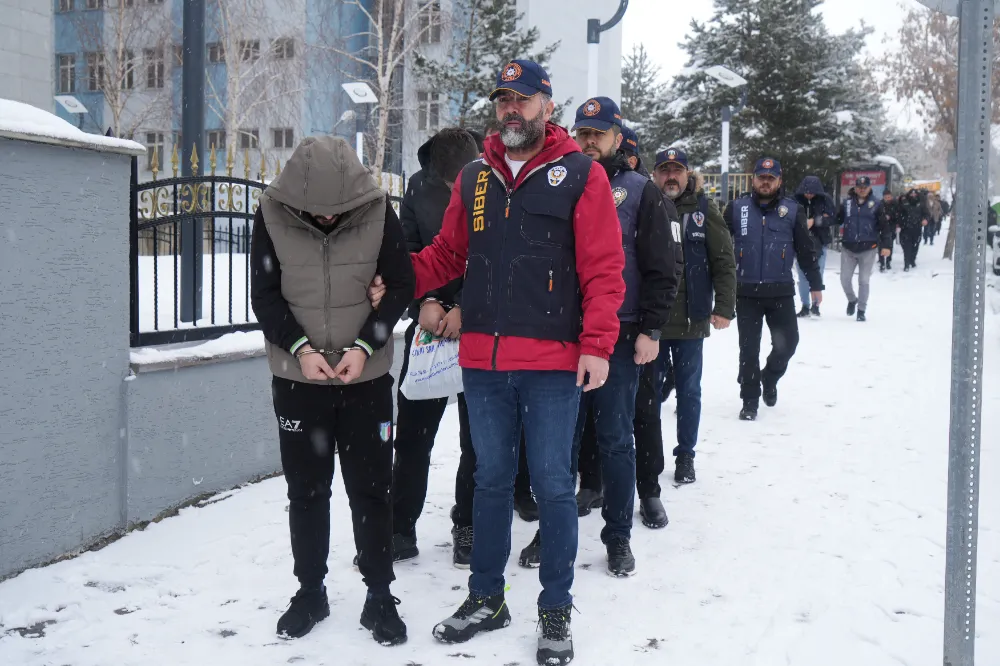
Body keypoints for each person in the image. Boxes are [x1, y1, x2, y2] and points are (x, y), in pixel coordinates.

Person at [408, 60, 626, 666]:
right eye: (503, 98)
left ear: (546, 107)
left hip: (553, 363)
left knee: (553, 486)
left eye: (522, 99)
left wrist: (597, 344)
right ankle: (487, 598)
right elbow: (447, 254)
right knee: (490, 482)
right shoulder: (475, 177)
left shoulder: (580, 175)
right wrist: (394, 276)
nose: (511, 108)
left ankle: (555, 608)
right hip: (483, 360)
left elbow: (604, 268)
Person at [250, 136, 415, 644]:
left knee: (372, 490)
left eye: (336, 211)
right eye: (315, 211)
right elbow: (264, 293)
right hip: (298, 382)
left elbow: (401, 285)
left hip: (365, 381)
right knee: (306, 491)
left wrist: (366, 345)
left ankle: (379, 595)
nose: (326, 219)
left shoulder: (378, 211)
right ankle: (310, 592)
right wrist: (300, 348)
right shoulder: (271, 213)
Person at [518, 97, 681, 574]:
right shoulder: (558, 180)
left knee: (615, 439)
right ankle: (552, 532)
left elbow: (662, 268)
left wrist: (651, 328)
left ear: (617, 137)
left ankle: (617, 537)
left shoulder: (641, 191)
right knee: (558, 443)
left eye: (599, 133)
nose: (589, 141)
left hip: (620, 335)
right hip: (561, 332)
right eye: (583, 132)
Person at [389, 128, 480, 568]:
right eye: (448, 182)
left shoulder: (491, 182)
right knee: (412, 438)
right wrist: (422, 302)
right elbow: (405, 251)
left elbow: (493, 257)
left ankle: (468, 525)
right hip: (426, 331)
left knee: (477, 442)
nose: (455, 189)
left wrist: (465, 307)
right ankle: (399, 527)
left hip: (478, 329)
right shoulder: (417, 188)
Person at [640, 147, 736, 497]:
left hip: (691, 319)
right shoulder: (644, 204)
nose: (671, 176)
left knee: (689, 391)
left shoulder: (704, 210)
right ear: (655, 174)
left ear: (687, 174)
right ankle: (649, 456)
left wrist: (724, 306)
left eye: (677, 170)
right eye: (664, 170)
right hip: (652, 320)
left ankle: (685, 454)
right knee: (648, 393)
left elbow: (723, 260)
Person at [724, 158, 823, 421]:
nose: (765, 182)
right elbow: (720, 246)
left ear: (779, 181)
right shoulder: (737, 208)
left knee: (787, 344)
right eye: (761, 177)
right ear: (753, 179)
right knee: (748, 351)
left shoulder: (792, 210)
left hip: (780, 292)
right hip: (746, 292)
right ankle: (749, 400)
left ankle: (769, 376)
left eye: (771, 178)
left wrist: (815, 283)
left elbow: (805, 250)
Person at [836, 176, 891, 322]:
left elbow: (884, 227)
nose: (862, 190)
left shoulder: (876, 204)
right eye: (859, 187)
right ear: (855, 188)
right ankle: (852, 299)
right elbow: (837, 219)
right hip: (849, 247)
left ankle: (861, 310)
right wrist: (824, 218)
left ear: (869, 188)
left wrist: (886, 245)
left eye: (864, 187)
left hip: (868, 248)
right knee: (844, 279)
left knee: (864, 280)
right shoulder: (847, 203)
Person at [793, 176, 835, 317]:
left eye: (812, 193)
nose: (809, 195)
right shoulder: (795, 200)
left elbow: (832, 218)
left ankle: (815, 305)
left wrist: (816, 221)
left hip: (820, 242)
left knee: (818, 274)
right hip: (800, 243)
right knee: (802, 276)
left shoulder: (825, 200)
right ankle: (805, 305)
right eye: (807, 192)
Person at [897, 188, 929, 271]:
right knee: (907, 247)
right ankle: (906, 264)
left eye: (915, 194)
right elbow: (899, 214)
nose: (913, 195)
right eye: (911, 194)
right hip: (906, 228)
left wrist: (925, 219)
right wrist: (899, 224)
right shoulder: (904, 202)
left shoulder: (921, 203)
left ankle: (912, 259)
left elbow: (926, 213)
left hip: (917, 228)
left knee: (915, 245)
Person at [879, 190, 899, 272]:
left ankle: (888, 261)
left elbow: (898, 215)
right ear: (883, 197)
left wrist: (890, 216)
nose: (887, 198)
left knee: (889, 245)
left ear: (891, 196)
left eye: (889, 197)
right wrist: (883, 217)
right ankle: (882, 263)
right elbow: (876, 214)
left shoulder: (895, 204)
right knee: (881, 245)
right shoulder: (879, 204)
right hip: (881, 227)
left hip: (891, 227)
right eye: (886, 197)